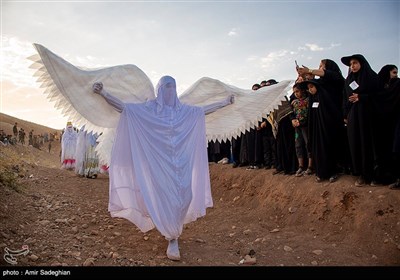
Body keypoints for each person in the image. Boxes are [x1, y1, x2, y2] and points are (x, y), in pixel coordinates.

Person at [92, 76, 231, 261]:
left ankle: (173, 229)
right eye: (166, 86)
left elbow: (203, 111)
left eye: (173, 86)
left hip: (182, 164)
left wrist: (224, 102)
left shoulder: (184, 112)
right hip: (158, 164)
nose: (170, 90)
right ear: (159, 89)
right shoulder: (149, 110)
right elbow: (125, 108)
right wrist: (103, 93)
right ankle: (172, 236)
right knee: (165, 197)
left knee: (185, 196)